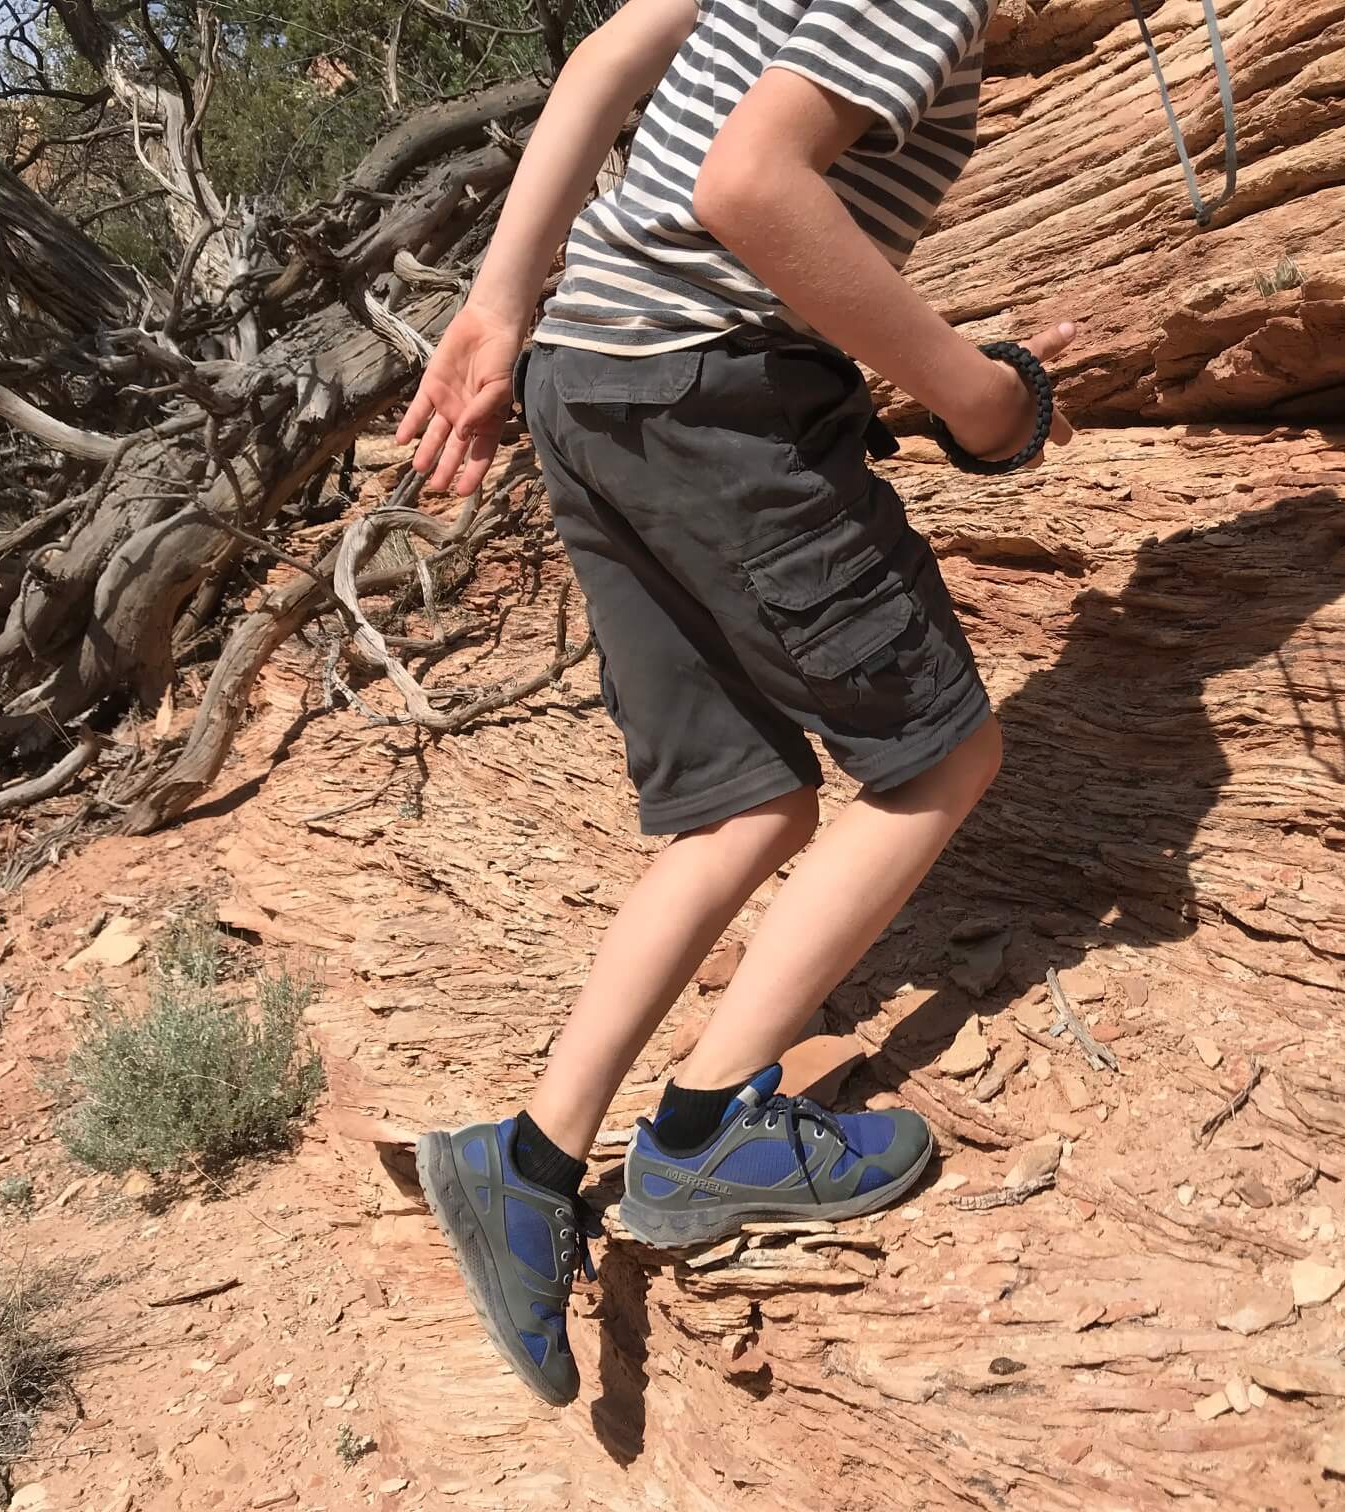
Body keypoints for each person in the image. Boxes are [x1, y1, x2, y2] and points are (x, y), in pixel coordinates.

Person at [399, 0, 1073, 1406]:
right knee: (936, 761)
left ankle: (524, 1163)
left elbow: (606, 62)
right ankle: (707, 1130)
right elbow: (750, 185)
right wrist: (977, 399)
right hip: (713, 398)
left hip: (587, 372)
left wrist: (501, 308)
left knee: (744, 804)